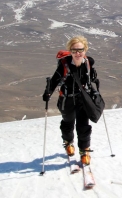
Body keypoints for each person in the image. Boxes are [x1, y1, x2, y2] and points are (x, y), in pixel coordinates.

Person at [42, 36, 97, 165]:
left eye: (80, 50)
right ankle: (68, 143)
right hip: (67, 100)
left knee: (83, 125)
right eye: (74, 50)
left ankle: (84, 151)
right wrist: (48, 92)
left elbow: (90, 78)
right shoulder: (64, 64)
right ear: (70, 51)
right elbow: (55, 79)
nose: (77, 53)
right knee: (68, 123)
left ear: (85, 50)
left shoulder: (89, 63)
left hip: (83, 99)